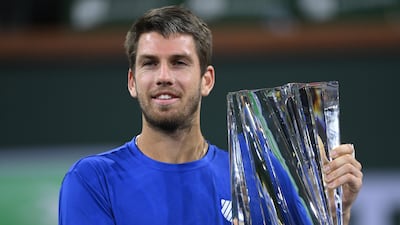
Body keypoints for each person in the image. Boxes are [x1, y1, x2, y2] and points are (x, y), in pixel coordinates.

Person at [58, 5, 363, 225]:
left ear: (207, 80)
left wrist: (338, 212)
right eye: (150, 63)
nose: (164, 76)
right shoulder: (91, 181)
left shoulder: (259, 179)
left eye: (179, 63)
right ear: (132, 82)